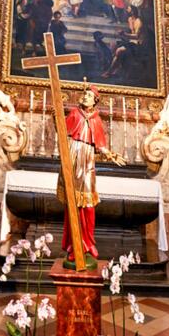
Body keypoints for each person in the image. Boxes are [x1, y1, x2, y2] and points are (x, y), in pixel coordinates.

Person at [56, 84, 125, 264]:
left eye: (88, 95)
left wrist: (110, 154)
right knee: (72, 202)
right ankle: (73, 245)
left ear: (95, 100)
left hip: (87, 161)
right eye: (84, 94)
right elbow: (62, 130)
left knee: (87, 204)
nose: (84, 96)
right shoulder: (74, 114)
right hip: (72, 157)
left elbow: (100, 144)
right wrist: (56, 117)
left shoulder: (96, 119)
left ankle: (86, 243)